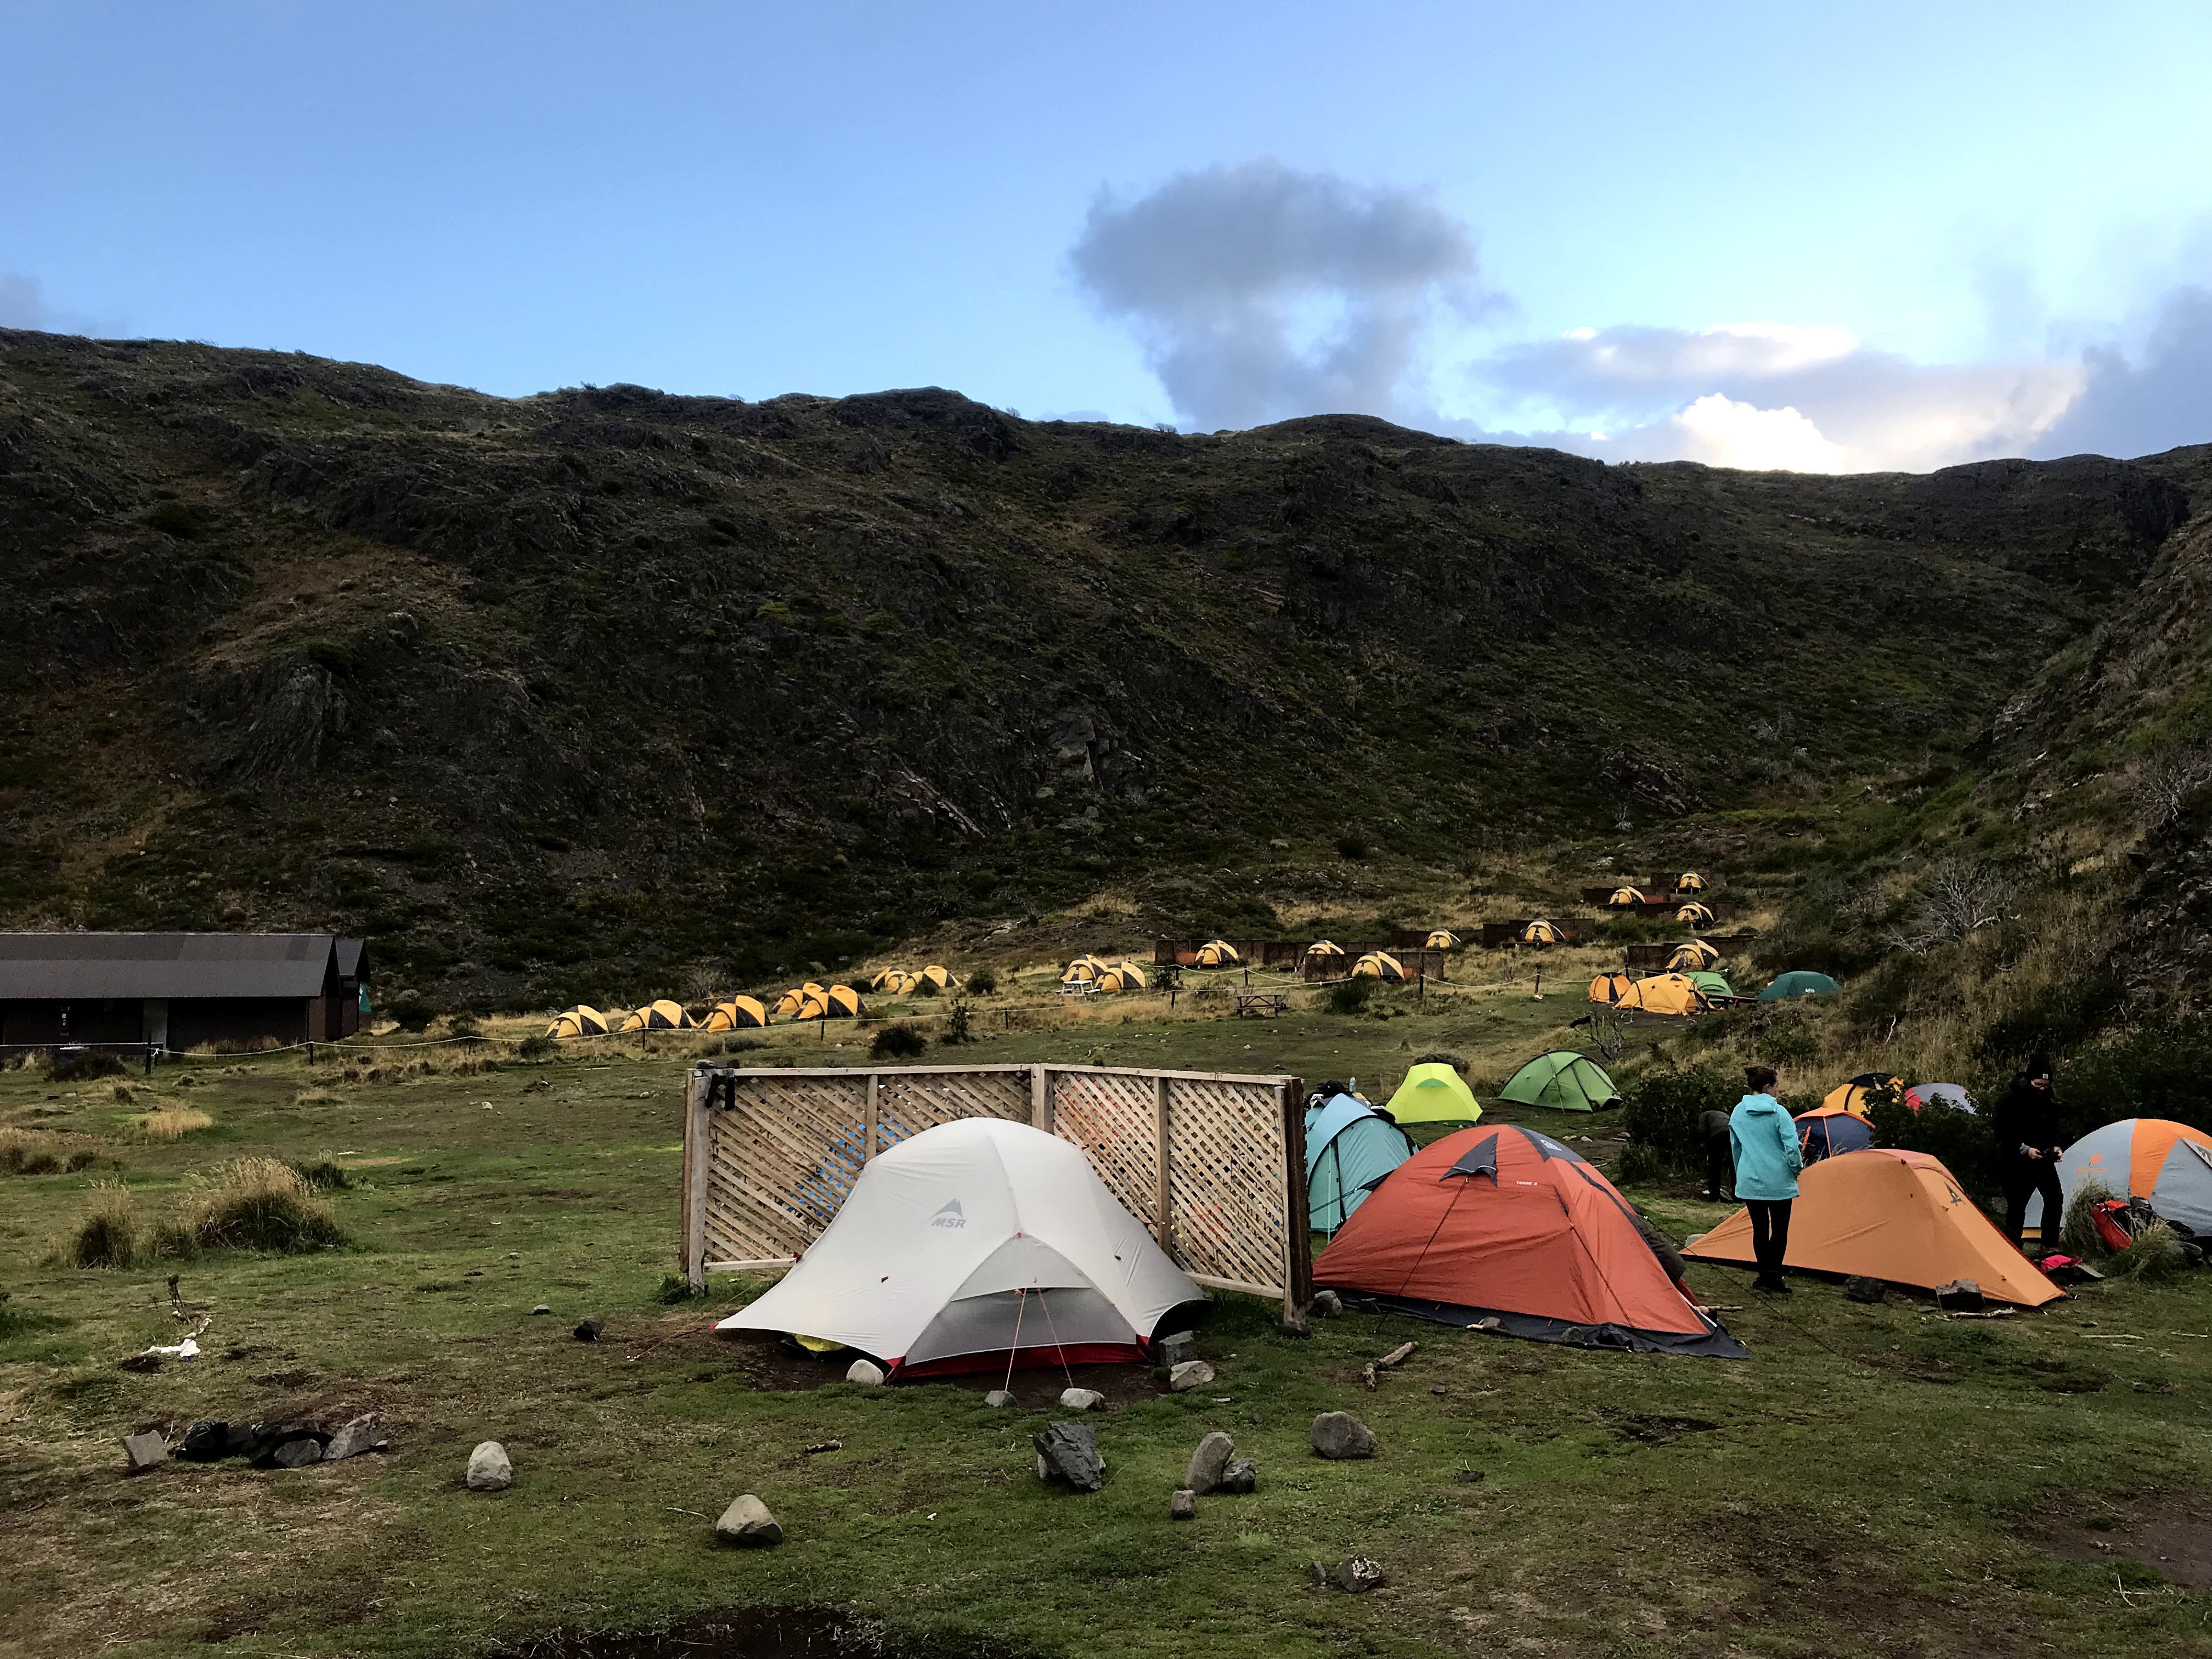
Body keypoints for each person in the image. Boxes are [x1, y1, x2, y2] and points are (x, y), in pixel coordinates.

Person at [1729, 1065, 1803, 1293]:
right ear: (1768, 1087)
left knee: (1760, 1230)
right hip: (1778, 1180)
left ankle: (1764, 1275)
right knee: (1780, 1231)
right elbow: (1792, 1146)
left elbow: (1736, 1147)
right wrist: (1796, 1169)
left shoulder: (1738, 1112)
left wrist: (1740, 1172)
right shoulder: (1780, 1113)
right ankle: (1774, 1276)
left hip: (1750, 1178)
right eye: (1776, 1086)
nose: (1777, 1090)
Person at [1991, 1054, 2063, 1252]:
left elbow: (2055, 1130)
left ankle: (2049, 1246)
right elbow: (2001, 1131)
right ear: (2029, 1080)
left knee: (2055, 1199)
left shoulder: (2050, 1102)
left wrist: (2057, 1147)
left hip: (2043, 1160)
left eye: (2046, 1085)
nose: (2042, 1089)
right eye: (2038, 1084)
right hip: (2016, 1162)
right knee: (2017, 1206)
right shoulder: (2010, 1100)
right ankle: (2013, 1248)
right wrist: (2024, 1149)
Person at [1699, 1109, 1735, 1201]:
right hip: (1732, 1133)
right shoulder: (1724, 1115)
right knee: (1733, 1166)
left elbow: (1703, 1131)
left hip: (1717, 1134)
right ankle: (1737, 1197)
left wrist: (1707, 1148)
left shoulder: (1703, 1115)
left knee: (1714, 1166)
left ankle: (1714, 1197)